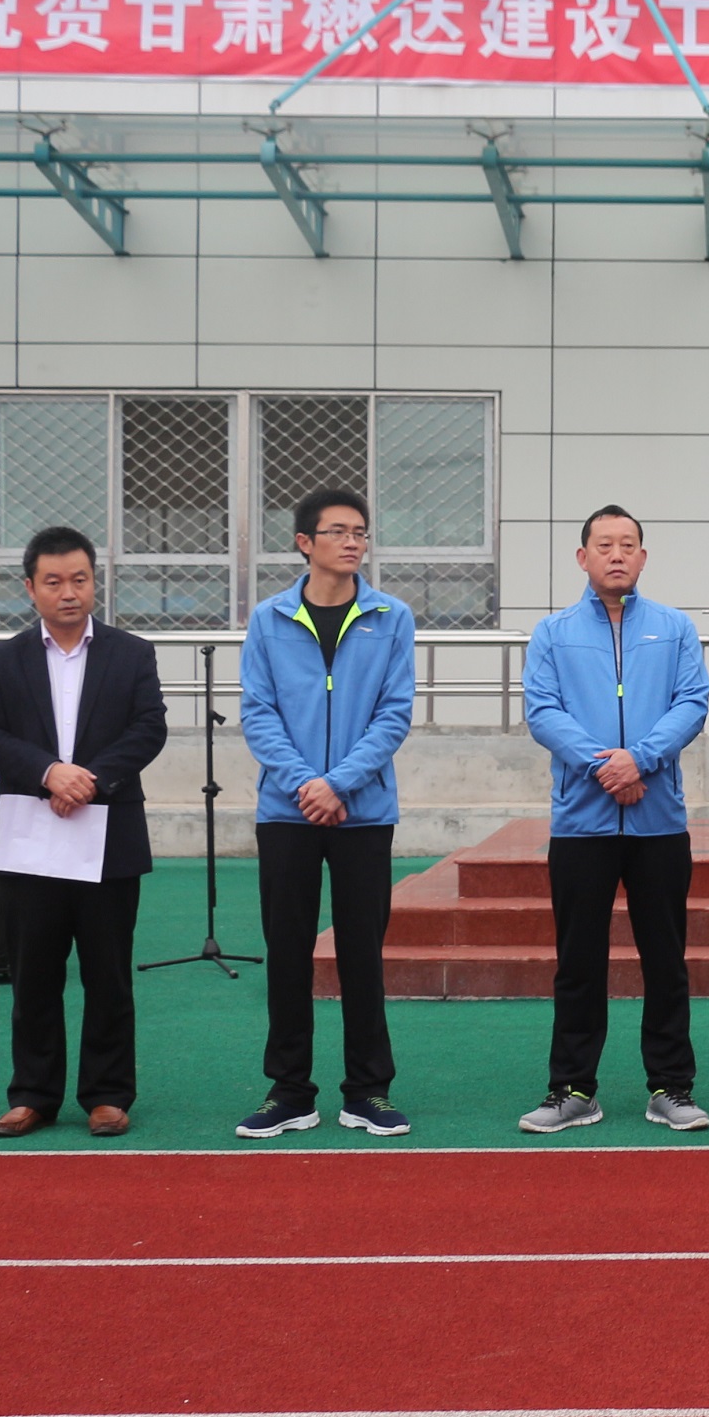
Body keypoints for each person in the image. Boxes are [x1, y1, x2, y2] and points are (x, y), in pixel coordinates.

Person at [519, 505, 709, 1135]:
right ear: (583, 557)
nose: (617, 554)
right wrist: (605, 766)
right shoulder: (553, 632)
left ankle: (671, 1087)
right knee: (578, 962)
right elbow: (542, 710)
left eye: (628, 544)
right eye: (604, 545)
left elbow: (693, 702)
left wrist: (641, 759)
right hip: (582, 824)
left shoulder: (674, 628)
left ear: (643, 557)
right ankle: (572, 1089)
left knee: (666, 960)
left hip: (659, 824)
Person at [0, 527, 169, 1138]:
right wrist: (48, 773)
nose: (68, 592)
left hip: (107, 835)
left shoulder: (131, 653)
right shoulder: (4, 659)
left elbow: (149, 728)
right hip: (30, 836)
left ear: (94, 583)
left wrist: (90, 780)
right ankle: (33, 1094)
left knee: (107, 972)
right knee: (34, 973)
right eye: (54, 581)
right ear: (30, 588)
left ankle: (107, 1094)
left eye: (79, 579)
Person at [235, 488, 418, 1140]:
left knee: (362, 952)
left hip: (364, 813)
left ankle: (368, 1090)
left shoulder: (391, 617)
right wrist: (305, 784)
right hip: (287, 812)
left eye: (360, 532)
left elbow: (394, 713)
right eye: (338, 531)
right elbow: (258, 712)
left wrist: (338, 784)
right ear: (304, 543)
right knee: (287, 951)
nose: (352, 542)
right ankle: (289, 1092)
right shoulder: (269, 619)